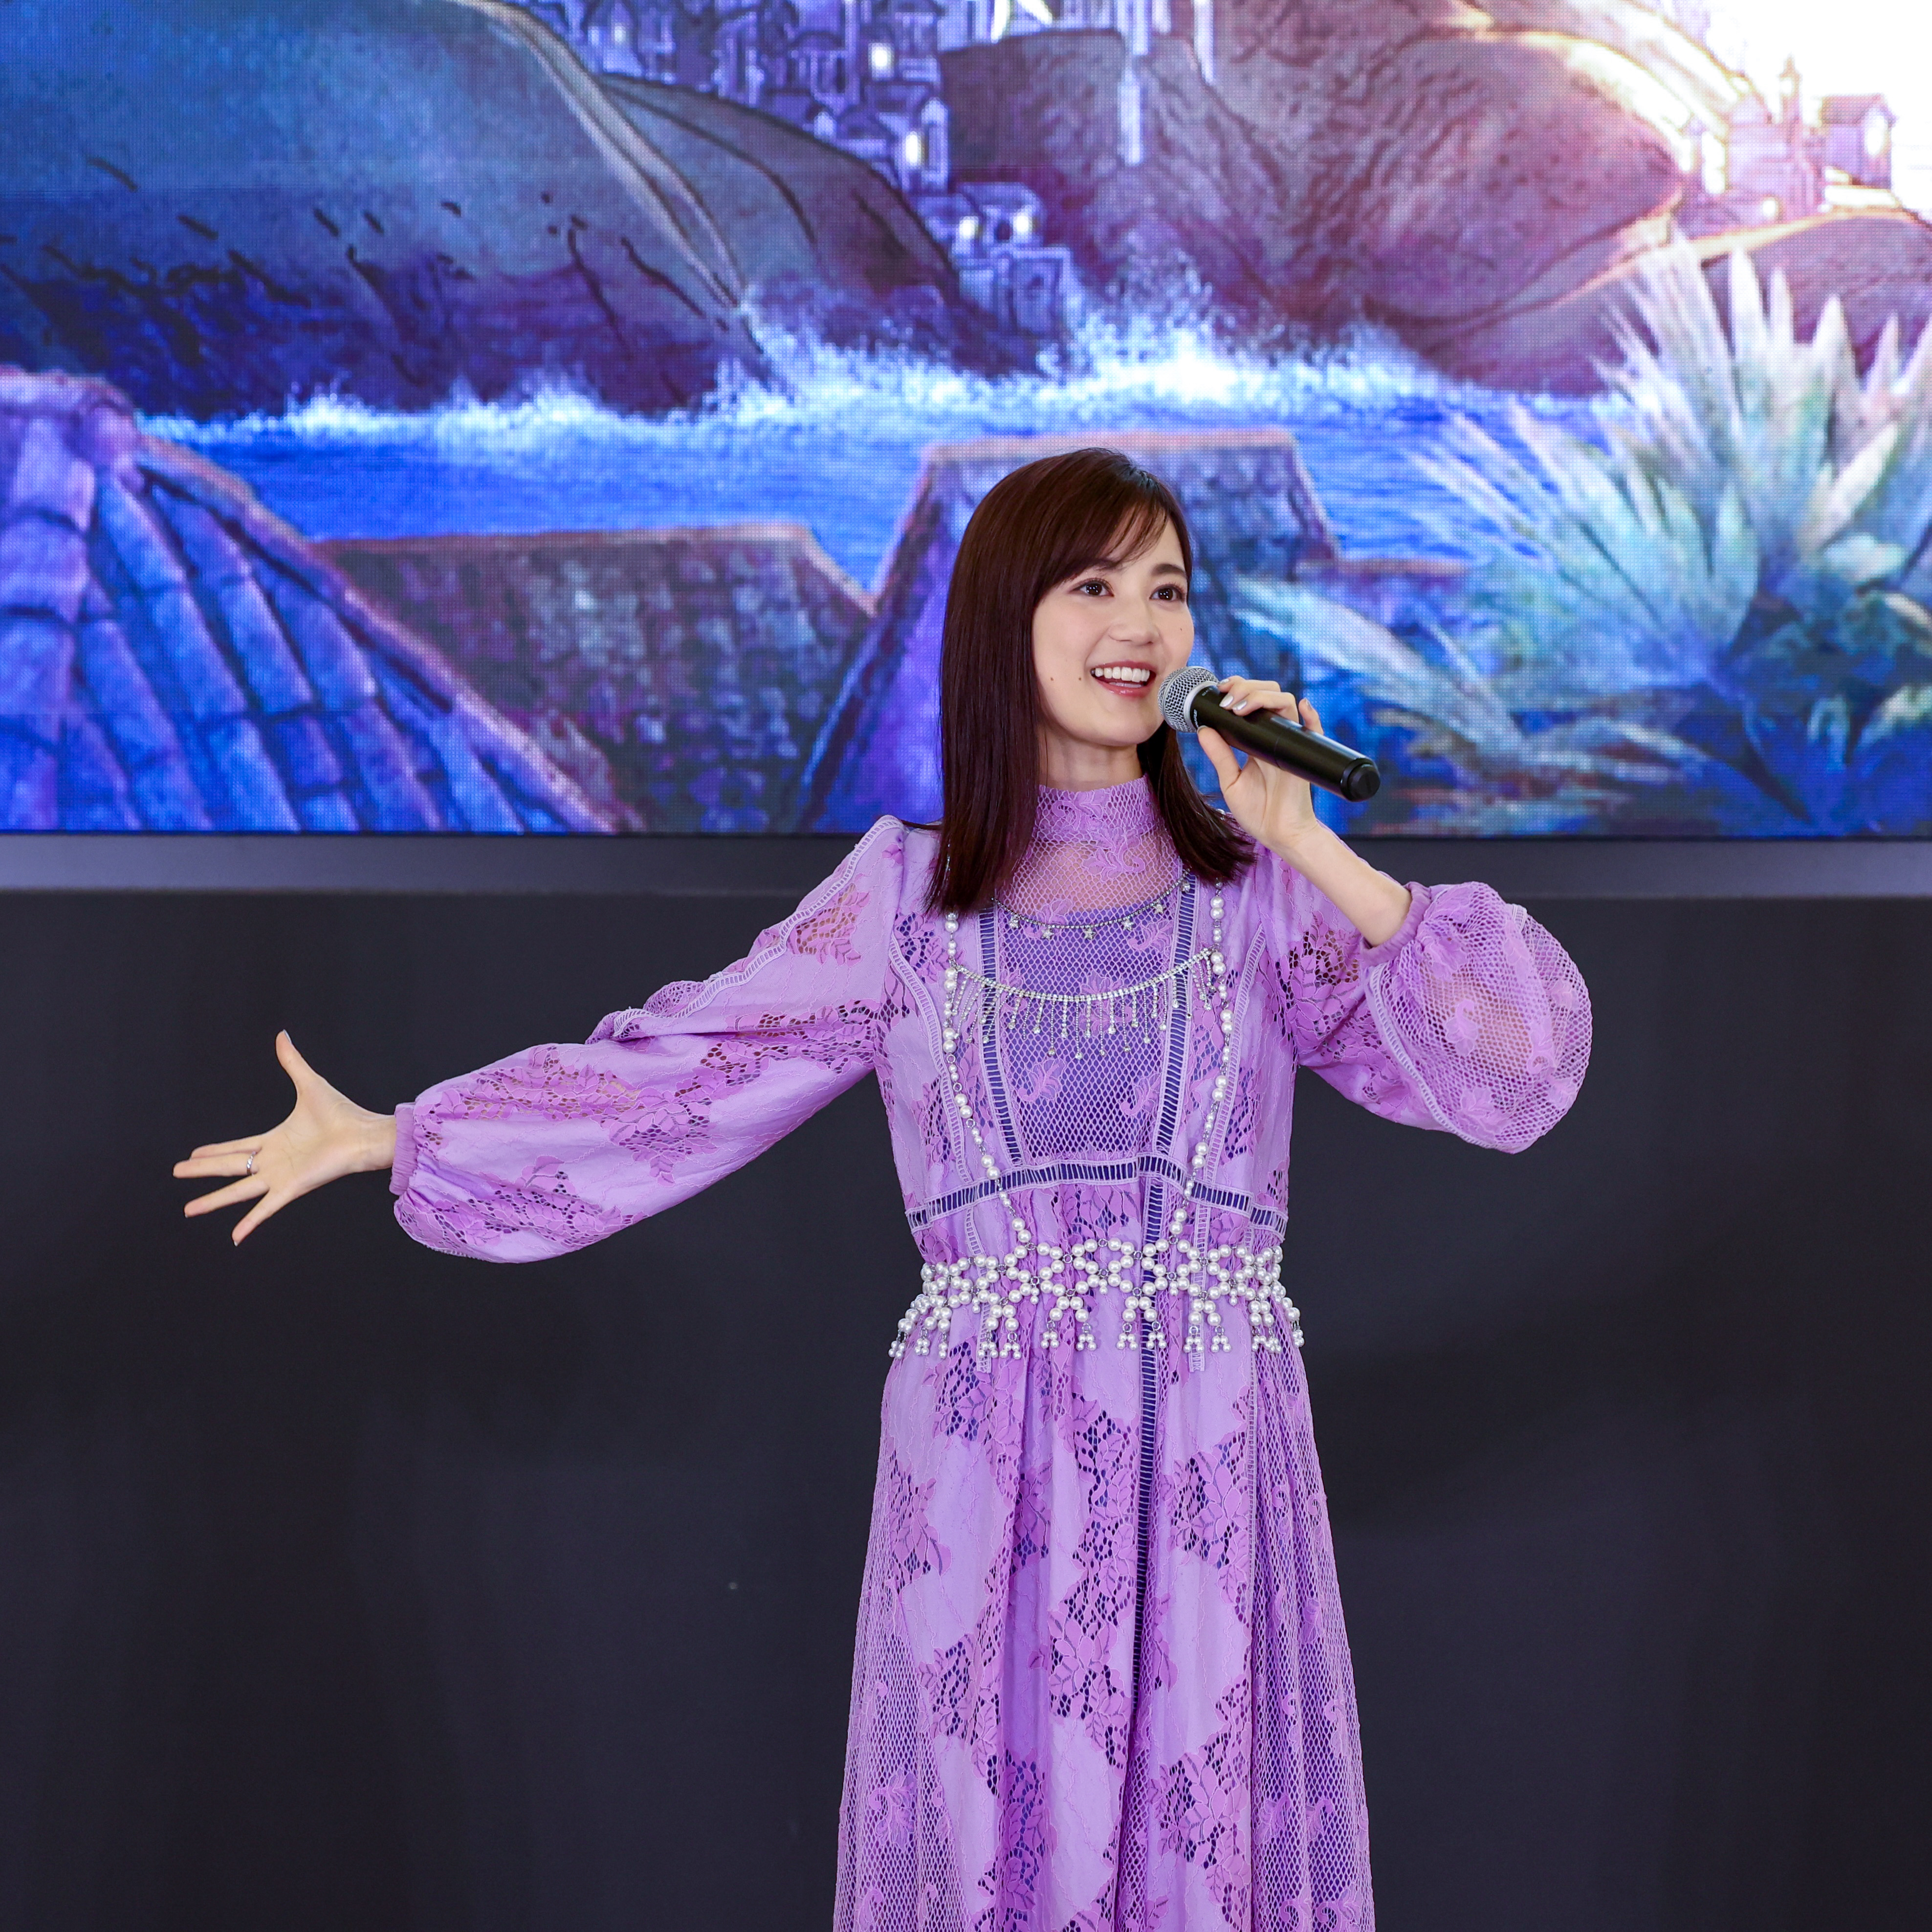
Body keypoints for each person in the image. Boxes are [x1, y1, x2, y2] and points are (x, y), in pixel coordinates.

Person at [176, 447, 1591, 1931]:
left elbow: (1523, 1069)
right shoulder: (901, 905)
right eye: (1093, 585)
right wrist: (405, 1136)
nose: (1141, 624)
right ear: (1001, 623)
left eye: (1168, 590)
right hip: (985, 1478)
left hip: (1211, 1465)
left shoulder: (1263, 893)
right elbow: (683, 1072)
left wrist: (1310, 842)